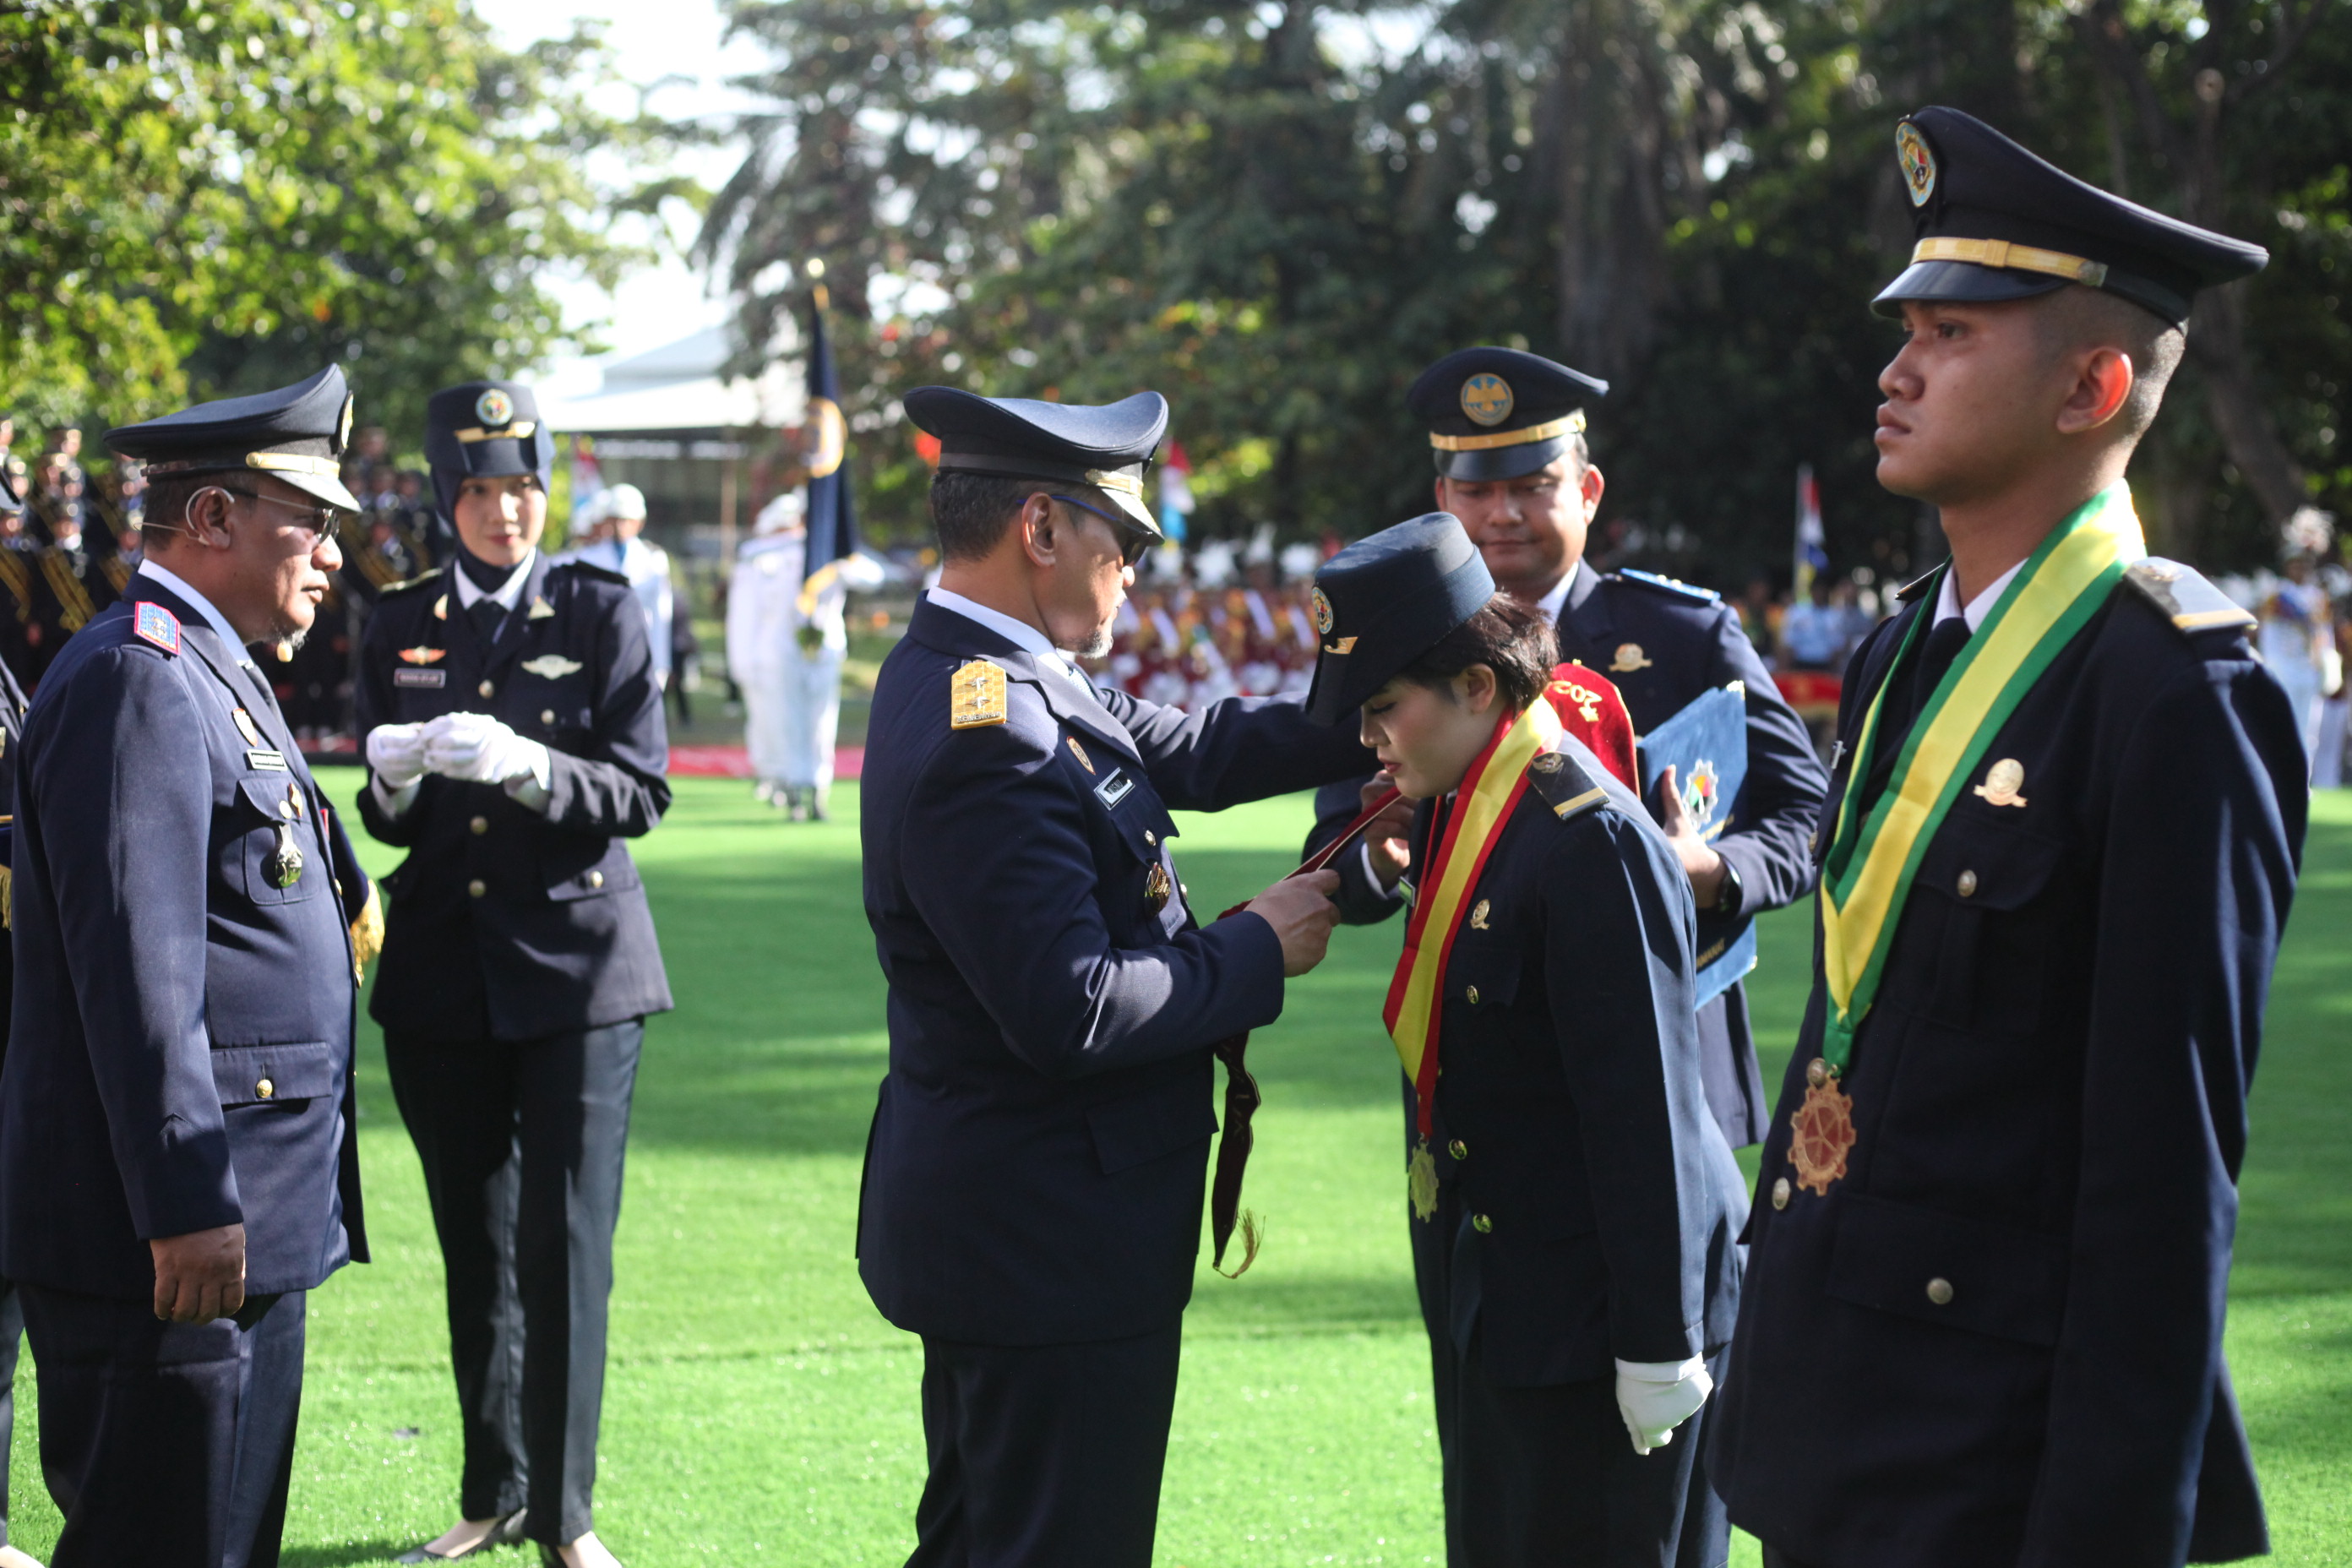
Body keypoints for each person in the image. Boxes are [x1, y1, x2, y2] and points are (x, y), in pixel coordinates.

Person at [1706, 107, 2306, 1568]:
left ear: (2091, 385)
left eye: (1952, 334)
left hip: (1988, 1465)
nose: (1894, 369)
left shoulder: (2173, 693)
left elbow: (2161, 1185)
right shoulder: (1903, 647)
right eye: (1905, 329)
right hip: (1829, 1416)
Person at [1306, 346, 1826, 1563]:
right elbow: (1345, 831)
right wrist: (1387, 864)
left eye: (1530, 485)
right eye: (1474, 491)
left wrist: (1704, 870)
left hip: (1671, 1083)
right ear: (1442, 502)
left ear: (1585, 490)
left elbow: (1808, 812)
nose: (1502, 515)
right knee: (1504, 1452)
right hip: (1488, 1096)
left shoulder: (1678, 630)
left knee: (1651, 1467)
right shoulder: (1403, 637)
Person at [860, 385, 1375, 1568]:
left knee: (980, 1539)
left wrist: (1377, 708)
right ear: (1042, 528)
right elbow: (1075, 1007)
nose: (1138, 570)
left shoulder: (986, 666)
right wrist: (1261, 943)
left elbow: (1194, 746)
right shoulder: (994, 726)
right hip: (1048, 1251)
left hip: (1017, 1235)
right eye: (1125, 540)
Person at [0, 366, 376, 1565]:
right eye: (309, 521)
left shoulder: (206, 664)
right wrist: (187, 1199)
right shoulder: (138, 675)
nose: (332, 553)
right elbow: (141, 974)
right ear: (213, 517)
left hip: (232, 1224)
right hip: (167, 1244)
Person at [357, 380, 671, 1568]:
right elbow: (392, 822)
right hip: (444, 972)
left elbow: (639, 789)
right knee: (473, 1246)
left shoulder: (598, 609)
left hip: (580, 975)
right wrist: (388, 781)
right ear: (447, 498)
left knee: (565, 1246)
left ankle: (567, 1515)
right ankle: (493, 1492)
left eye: (526, 487)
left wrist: (532, 766)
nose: (508, 510)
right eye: (483, 490)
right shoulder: (401, 620)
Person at [727, 493, 885, 817]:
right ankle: (794, 787)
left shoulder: (829, 554)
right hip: (780, 651)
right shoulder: (762, 555)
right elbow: (745, 613)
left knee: (822, 722)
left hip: (823, 650)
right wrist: (743, 662)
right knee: (787, 721)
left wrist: (841, 558)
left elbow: (873, 577)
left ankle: (817, 787)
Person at [564, 482, 673, 693]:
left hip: (639, 650)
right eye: (616, 518)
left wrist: (661, 665)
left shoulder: (653, 560)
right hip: (596, 652)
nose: (621, 525)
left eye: (627, 520)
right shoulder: (587, 557)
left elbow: (662, 616)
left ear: (639, 523)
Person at [2258, 553, 2331, 777]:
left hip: (2308, 667)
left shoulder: (2317, 596)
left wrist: (2322, 662)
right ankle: (2279, 777)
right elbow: (2267, 629)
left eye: (2305, 565)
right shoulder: (2277, 594)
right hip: (2283, 665)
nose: (2300, 570)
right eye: (2296, 565)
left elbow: (2323, 632)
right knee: (2282, 722)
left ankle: (2303, 779)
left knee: (2309, 727)